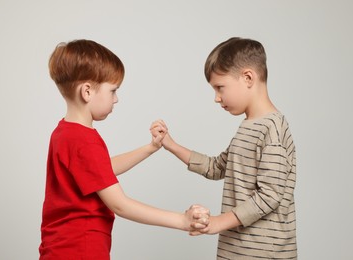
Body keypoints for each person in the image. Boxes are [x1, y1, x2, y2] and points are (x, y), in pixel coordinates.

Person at [39, 39, 209, 260]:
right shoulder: (84, 140)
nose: (116, 99)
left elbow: (99, 170)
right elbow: (120, 204)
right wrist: (181, 221)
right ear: (87, 91)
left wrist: (150, 148)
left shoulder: (64, 133)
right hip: (81, 249)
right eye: (113, 90)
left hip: (60, 248)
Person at [151, 37, 297, 259]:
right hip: (236, 250)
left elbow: (269, 195)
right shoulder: (249, 126)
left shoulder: (272, 129)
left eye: (220, 87)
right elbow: (216, 167)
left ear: (248, 78)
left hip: (263, 253)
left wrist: (219, 222)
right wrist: (170, 144)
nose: (217, 98)